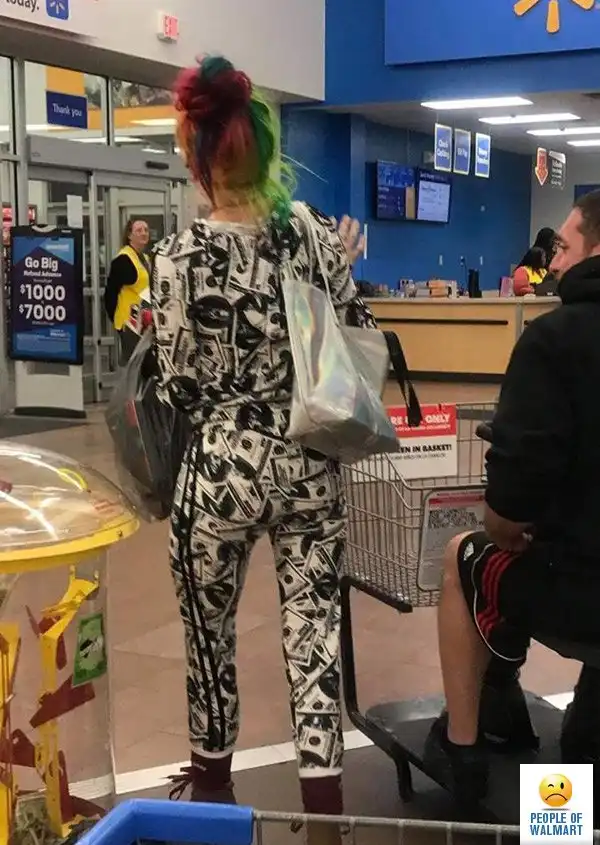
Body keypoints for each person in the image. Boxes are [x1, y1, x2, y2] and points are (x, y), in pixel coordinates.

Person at [149, 55, 375, 841]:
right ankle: (325, 818)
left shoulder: (175, 259)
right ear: (267, 148)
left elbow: (178, 383)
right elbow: (357, 335)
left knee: (207, 637)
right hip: (310, 463)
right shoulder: (314, 234)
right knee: (314, 636)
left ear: (197, 150)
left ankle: (214, 797)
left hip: (218, 473)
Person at [423, 190, 600, 803]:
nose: (554, 261)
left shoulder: (554, 340)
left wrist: (508, 527)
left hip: (581, 592)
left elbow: (509, 507)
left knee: (467, 555)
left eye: (566, 247)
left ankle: (462, 749)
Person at [104, 219, 151, 362]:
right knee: (133, 365)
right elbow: (110, 294)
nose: (144, 233)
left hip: (145, 322)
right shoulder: (123, 260)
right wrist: (118, 320)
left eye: (146, 230)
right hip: (130, 324)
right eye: (139, 230)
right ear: (129, 235)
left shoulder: (146, 258)